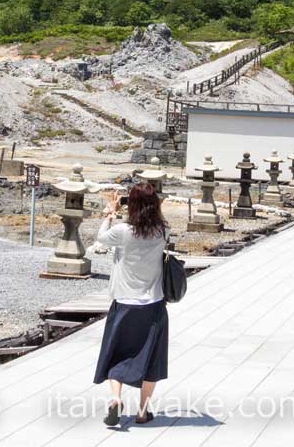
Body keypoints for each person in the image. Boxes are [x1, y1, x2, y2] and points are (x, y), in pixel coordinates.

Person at [95, 180, 170, 427]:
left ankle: (116, 398)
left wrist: (110, 213)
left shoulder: (123, 231)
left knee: (116, 351)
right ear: (154, 205)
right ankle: (142, 411)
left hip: (124, 302)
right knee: (152, 358)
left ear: (132, 204)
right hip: (153, 303)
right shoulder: (162, 231)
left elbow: (101, 240)